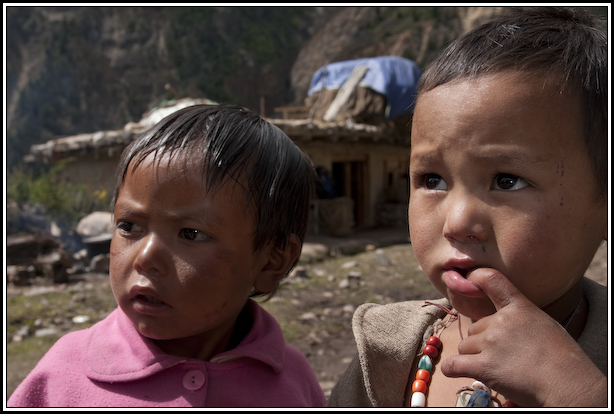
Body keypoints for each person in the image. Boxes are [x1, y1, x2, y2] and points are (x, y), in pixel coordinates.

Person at [327, 6, 608, 408]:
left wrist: (578, 393)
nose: (457, 223)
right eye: (432, 180)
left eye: (506, 181)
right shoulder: (387, 355)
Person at [8, 104, 326, 407]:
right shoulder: (65, 374)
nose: (144, 258)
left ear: (272, 260)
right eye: (129, 226)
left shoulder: (292, 383)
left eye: (192, 234)